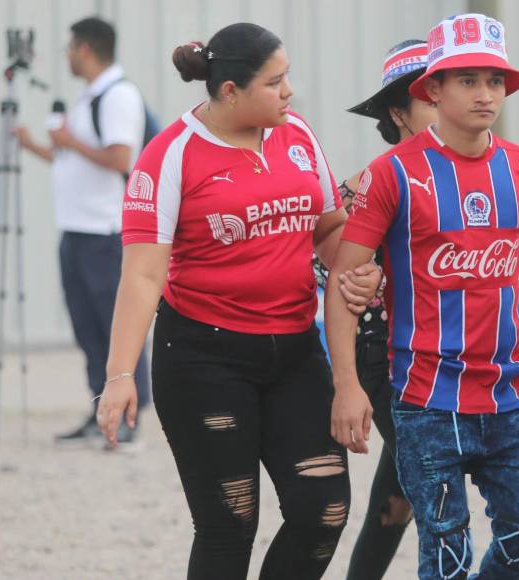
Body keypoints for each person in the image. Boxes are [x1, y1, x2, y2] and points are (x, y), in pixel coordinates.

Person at [94, 23, 379, 580]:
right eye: (275, 82)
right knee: (230, 524)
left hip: (296, 351)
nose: (289, 92)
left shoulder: (296, 133)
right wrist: (120, 375)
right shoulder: (170, 155)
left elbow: (326, 231)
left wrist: (362, 271)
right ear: (229, 91)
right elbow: (143, 277)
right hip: (205, 357)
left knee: (323, 513)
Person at [325, 14, 519, 580]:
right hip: (425, 397)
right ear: (433, 90)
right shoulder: (390, 173)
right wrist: (347, 386)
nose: (484, 93)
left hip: (507, 393)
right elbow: (340, 281)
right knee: (444, 554)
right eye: (467, 80)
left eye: (494, 80)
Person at [313, 38, 436, 580]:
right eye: (430, 95)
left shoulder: (476, 170)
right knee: (431, 486)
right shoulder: (375, 179)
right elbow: (322, 251)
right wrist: (373, 273)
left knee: (400, 499)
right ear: (397, 112)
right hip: (384, 352)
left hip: (443, 351)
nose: (452, 101)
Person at [15, 16, 151, 447]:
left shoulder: (118, 96)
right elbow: (71, 161)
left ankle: (129, 415)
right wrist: (35, 145)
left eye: (71, 46)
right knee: (87, 326)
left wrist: (69, 141)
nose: (67, 55)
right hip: (76, 228)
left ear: (87, 48)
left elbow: (118, 158)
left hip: (104, 229)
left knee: (116, 325)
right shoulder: (88, 96)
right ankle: (101, 411)